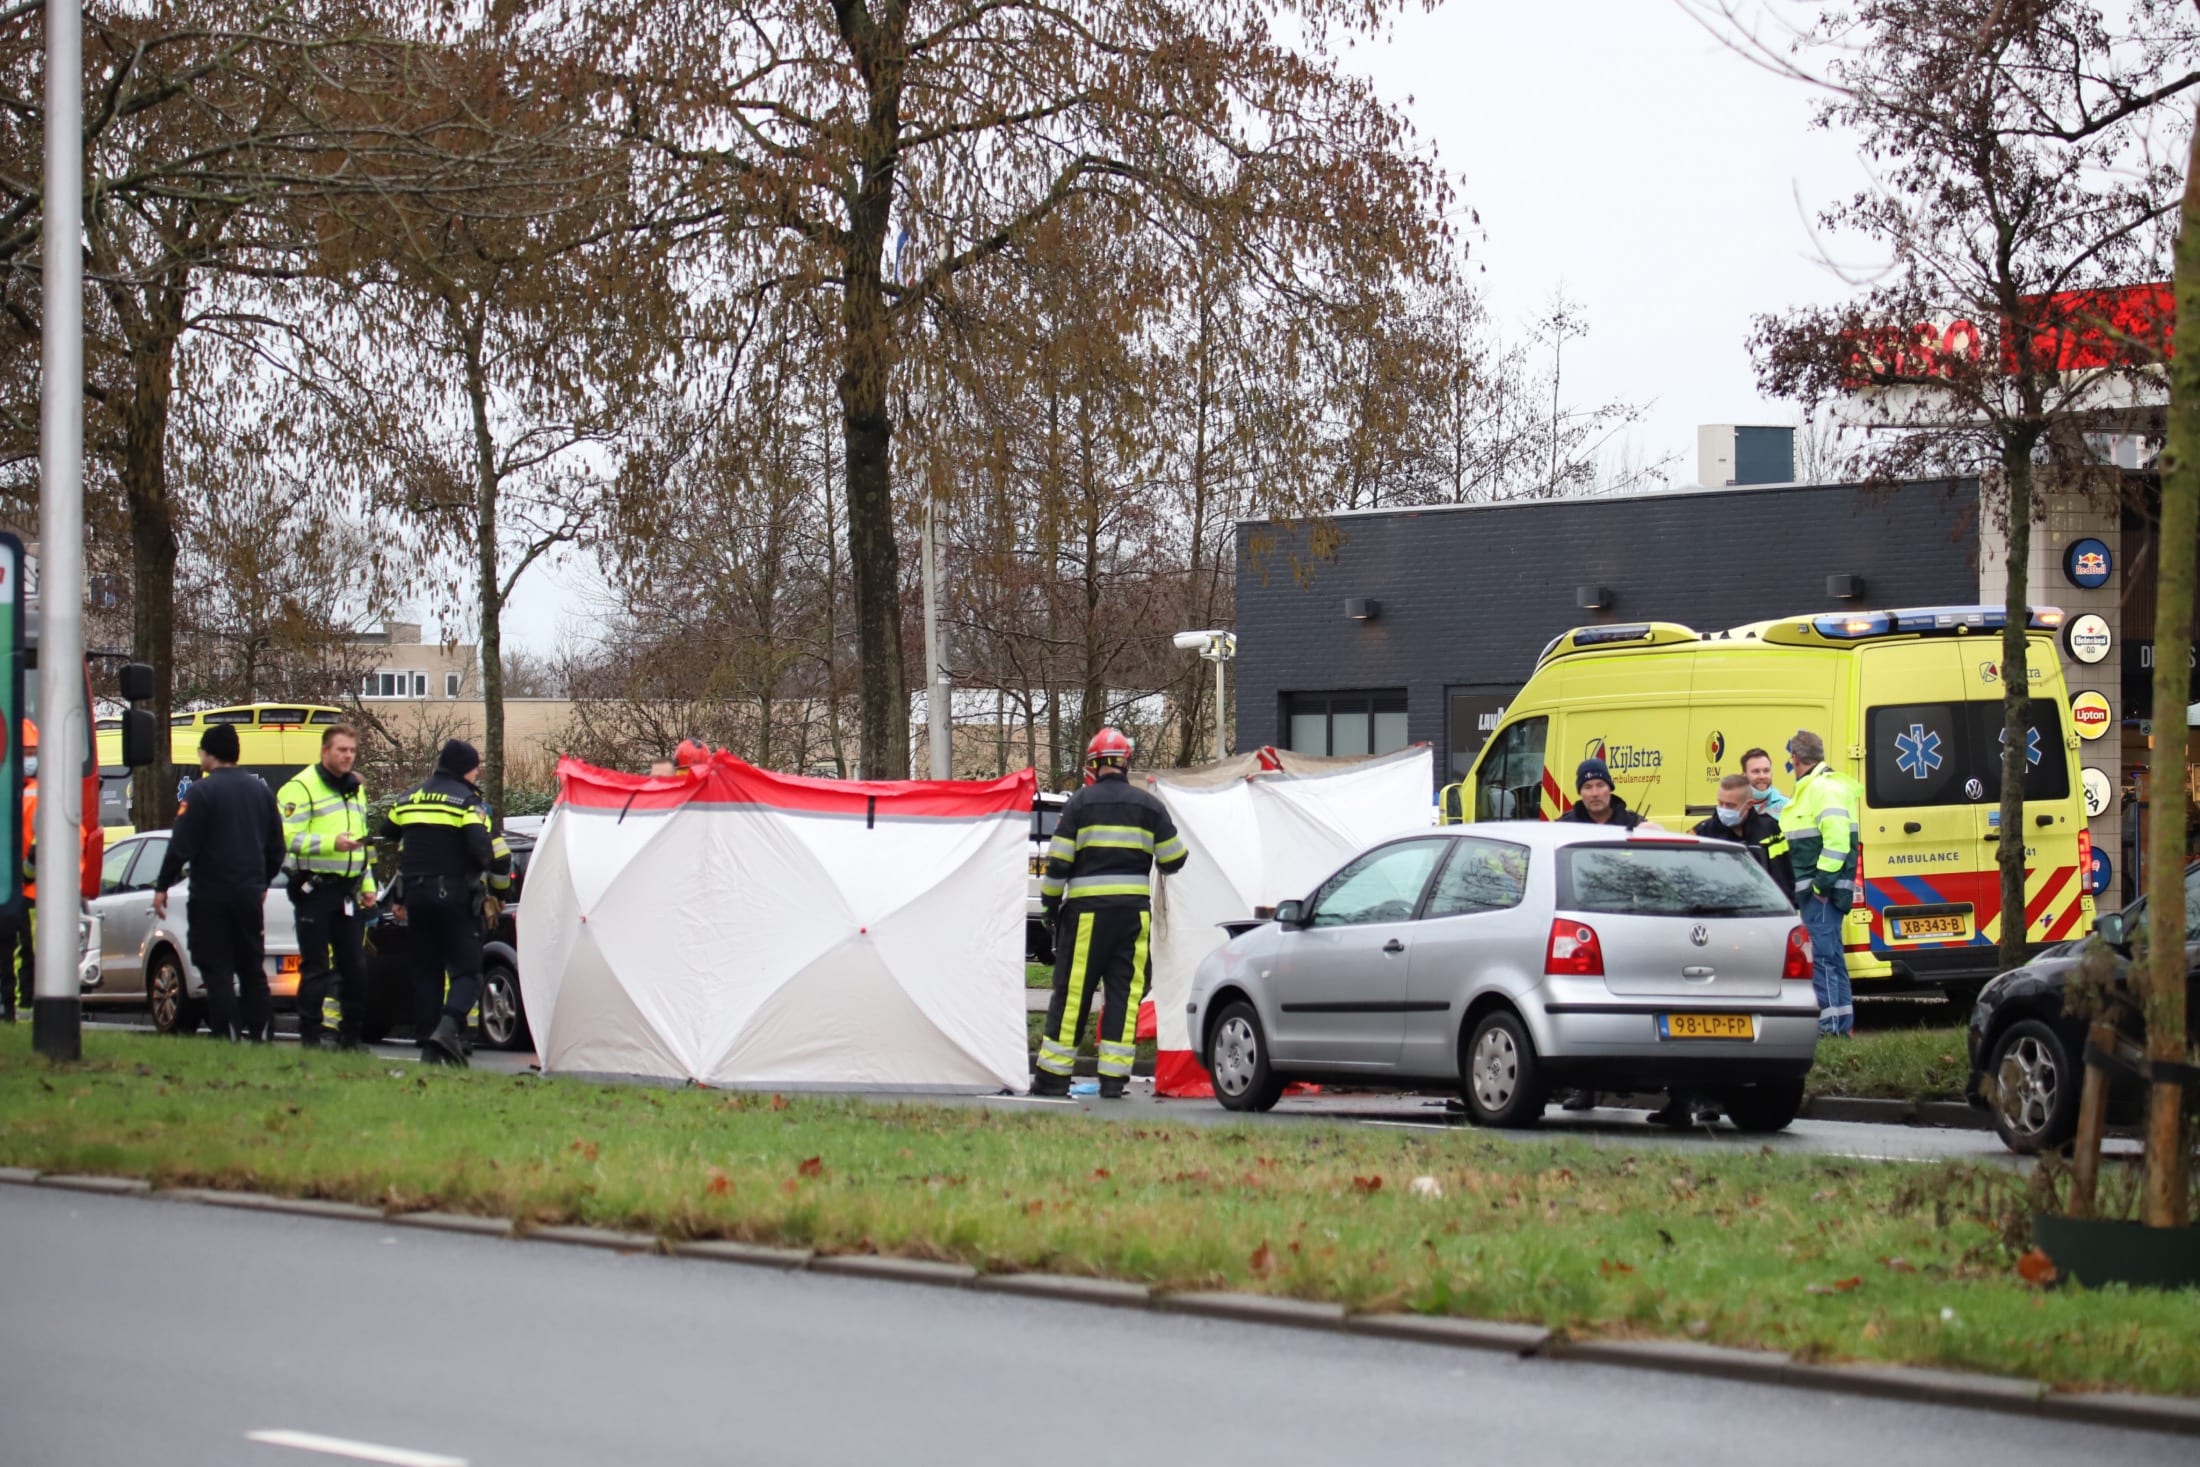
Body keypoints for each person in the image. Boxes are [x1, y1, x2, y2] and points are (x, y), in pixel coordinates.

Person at [1032, 728, 1188, 1098]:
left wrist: (1049, 907)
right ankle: (1114, 1081)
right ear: (1125, 762)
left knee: (1073, 994)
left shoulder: (1079, 805)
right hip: (1134, 918)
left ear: (1093, 763)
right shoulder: (1148, 806)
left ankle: (1053, 1077)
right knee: (1123, 994)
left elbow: (1058, 864)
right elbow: (1174, 858)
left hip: (1087, 917)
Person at [376, 739, 511, 1067]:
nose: (478, 774)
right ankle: (448, 1028)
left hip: (416, 899)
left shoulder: (410, 797)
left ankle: (428, 1043)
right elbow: (494, 855)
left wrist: (397, 893)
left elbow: (387, 834)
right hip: (455, 897)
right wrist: (498, 894)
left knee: (427, 971)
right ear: (466, 768)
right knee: (467, 972)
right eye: (476, 767)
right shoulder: (467, 803)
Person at [151, 724, 285, 1041]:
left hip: (210, 894)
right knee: (251, 965)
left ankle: (227, 1031)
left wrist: (162, 885)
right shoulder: (261, 793)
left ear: (210, 753)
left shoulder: (201, 792)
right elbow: (276, 847)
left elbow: (180, 845)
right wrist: (262, 882)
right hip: (249, 895)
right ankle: (262, 1031)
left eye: (201, 751)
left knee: (217, 965)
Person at [278, 724, 375, 1049]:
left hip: (348, 891)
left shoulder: (355, 789)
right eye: (341, 750)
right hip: (315, 889)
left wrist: (368, 884)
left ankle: (350, 1039)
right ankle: (310, 1037)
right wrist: (333, 843)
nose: (348, 756)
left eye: (351, 750)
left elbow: (363, 842)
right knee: (316, 966)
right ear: (325, 752)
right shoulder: (302, 788)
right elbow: (288, 838)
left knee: (355, 968)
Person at [1779, 730, 1860, 1038]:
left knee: (1823, 960)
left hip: (1822, 890)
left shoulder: (1821, 789)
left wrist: (1820, 885)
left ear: (1796, 760)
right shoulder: (1822, 786)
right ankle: (1841, 1025)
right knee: (1833, 958)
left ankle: (1828, 1029)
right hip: (1823, 889)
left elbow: (1837, 842)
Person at [1692, 773, 1795, 898]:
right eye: (1720, 803)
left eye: (1730, 805)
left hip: (1761, 909)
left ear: (1749, 804)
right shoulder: (1703, 832)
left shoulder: (1769, 830)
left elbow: (1783, 875)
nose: (1723, 810)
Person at [1, 721, 37, 1019]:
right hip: (26, 887)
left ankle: (18, 1007)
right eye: (25, 752)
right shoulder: (36, 793)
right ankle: (19, 1006)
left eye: (33, 752)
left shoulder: (26, 793)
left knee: (23, 951)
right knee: (23, 951)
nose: (30, 758)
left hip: (26, 887)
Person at [1558, 758, 1649, 829]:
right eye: (1588, 787)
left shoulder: (1633, 824)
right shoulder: (1565, 826)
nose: (1595, 793)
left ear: (1610, 788)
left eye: (1600, 785)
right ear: (1580, 792)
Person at [1741, 747, 1790, 822]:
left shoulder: (1787, 805)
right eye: (1756, 771)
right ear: (1744, 775)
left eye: (1766, 771)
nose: (1762, 776)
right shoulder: (1734, 807)